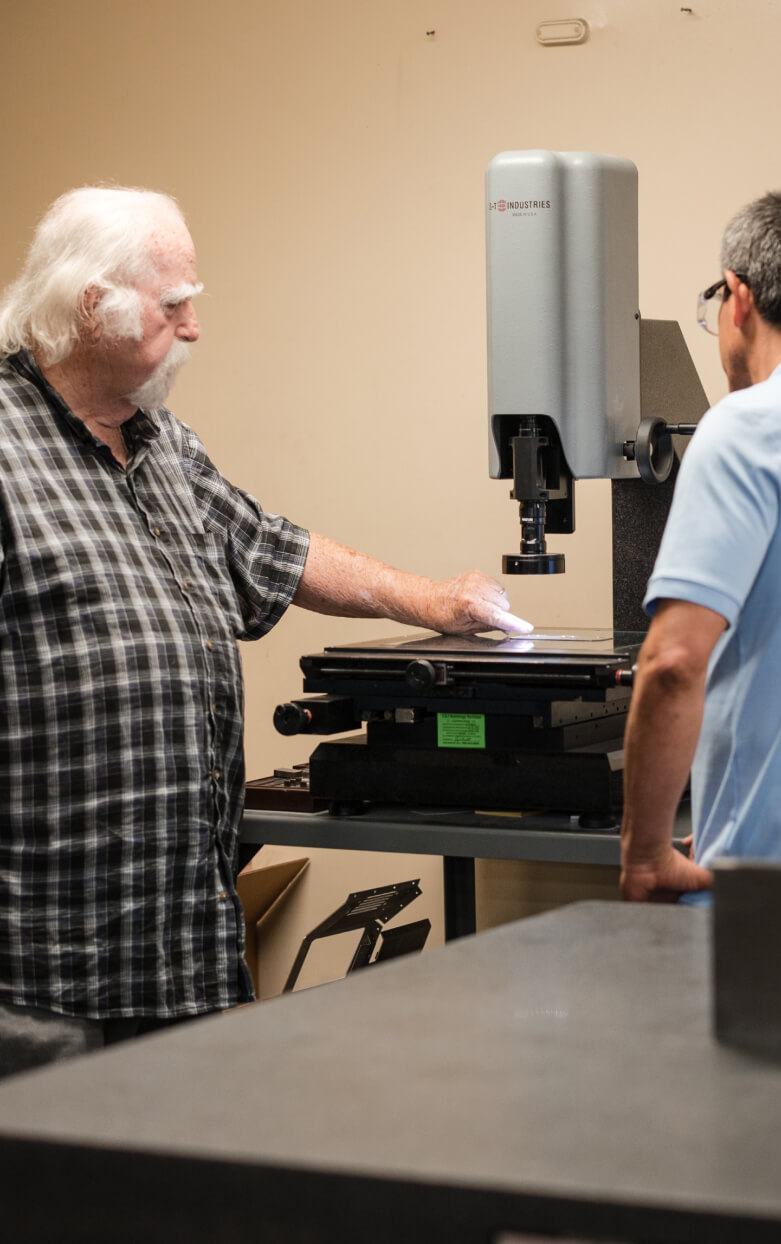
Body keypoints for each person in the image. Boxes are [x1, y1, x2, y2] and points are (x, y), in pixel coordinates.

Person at [0, 185, 531, 1075]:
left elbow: (276, 551)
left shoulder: (163, 446)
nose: (196, 325)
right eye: (174, 305)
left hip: (184, 963)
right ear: (91, 306)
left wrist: (432, 603)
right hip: (50, 980)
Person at [620, 188, 781, 904]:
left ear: (738, 299)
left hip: (774, 898)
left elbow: (676, 661)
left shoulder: (750, 428)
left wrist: (646, 850)